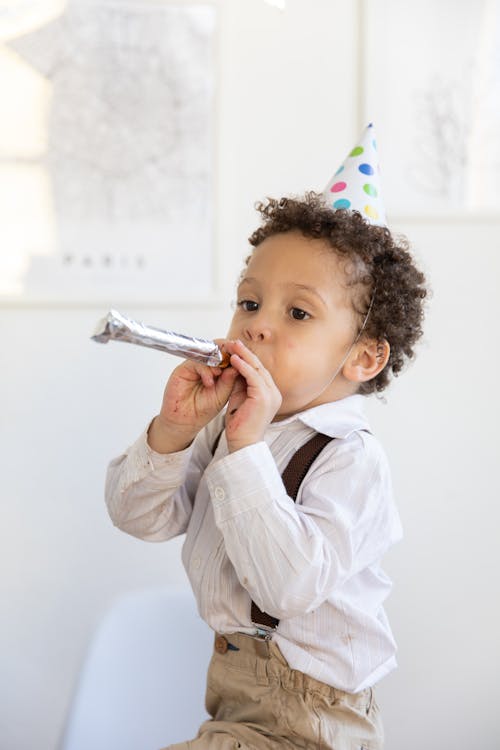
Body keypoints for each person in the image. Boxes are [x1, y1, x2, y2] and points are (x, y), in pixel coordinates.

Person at [105, 127, 427, 749]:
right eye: (248, 303)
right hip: (232, 692)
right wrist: (173, 431)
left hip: (316, 717)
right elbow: (137, 517)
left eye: (296, 313)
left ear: (363, 357)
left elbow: (287, 586)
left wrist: (247, 448)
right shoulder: (225, 425)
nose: (256, 328)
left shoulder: (350, 458)